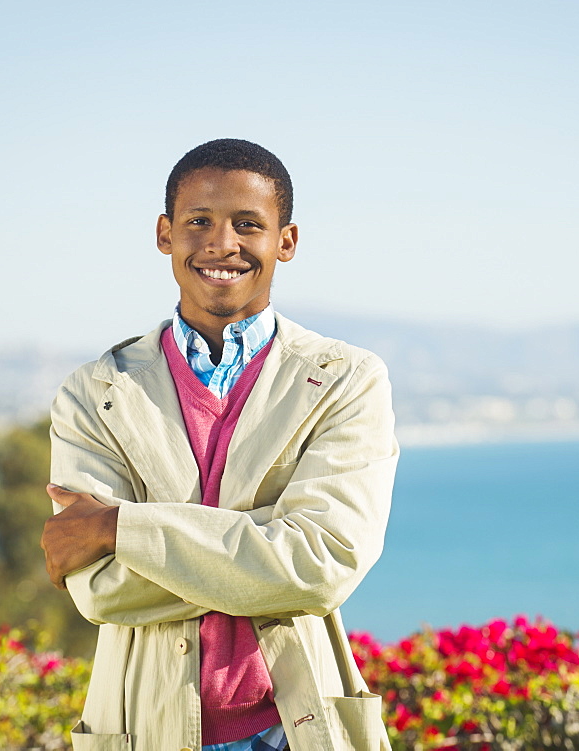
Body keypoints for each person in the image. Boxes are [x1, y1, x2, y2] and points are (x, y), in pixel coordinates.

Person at [40, 138, 398, 751]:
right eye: (198, 221)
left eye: (248, 224)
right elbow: (99, 588)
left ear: (285, 241)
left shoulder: (346, 379)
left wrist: (117, 528)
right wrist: (261, 547)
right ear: (164, 233)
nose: (221, 244)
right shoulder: (94, 391)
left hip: (291, 728)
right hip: (140, 723)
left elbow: (319, 567)